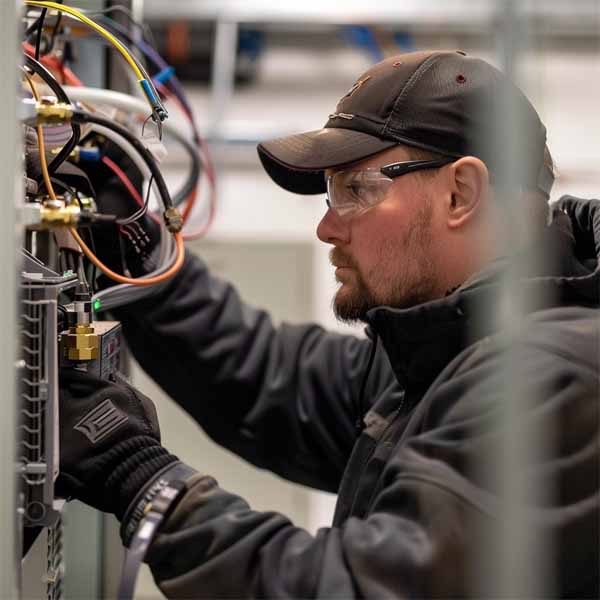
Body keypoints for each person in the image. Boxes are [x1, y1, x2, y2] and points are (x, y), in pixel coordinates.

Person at [58, 50, 599, 598]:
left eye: (355, 189)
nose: (326, 228)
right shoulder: (453, 346)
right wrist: (144, 252)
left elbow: (352, 589)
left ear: (460, 193)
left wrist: (145, 481)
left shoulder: (554, 381)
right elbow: (275, 380)